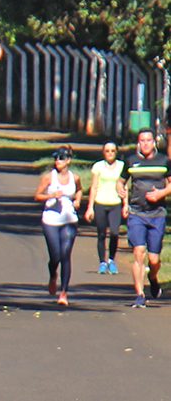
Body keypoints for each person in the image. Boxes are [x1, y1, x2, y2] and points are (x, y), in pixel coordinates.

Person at [117, 128, 171, 308]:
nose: (145, 143)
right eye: (142, 140)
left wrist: (161, 193)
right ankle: (139, 295)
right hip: (137, 213)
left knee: (154, 260)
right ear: (138, 143)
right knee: (138, 252)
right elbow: (121, 180)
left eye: (149, 140)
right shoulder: (131, 161)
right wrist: (120, 190)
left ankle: (153, 277)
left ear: (154, 142)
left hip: (157, 214)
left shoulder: (164, 161)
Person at [34, 146, 82, 306]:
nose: (57, 161)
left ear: (68, 160)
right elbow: (37, 195)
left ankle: (64, 293)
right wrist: (51, 195)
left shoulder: (74, 178)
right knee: (55, 256)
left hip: (69, 220)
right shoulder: (49, 177)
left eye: (61, 158)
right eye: (55, 158)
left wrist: (77, 200)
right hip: (51, 220)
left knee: (65, 254)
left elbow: (80, 190)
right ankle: (53, 273)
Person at [85, 142, 124, 274]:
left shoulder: (121, 166)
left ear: (116, 152)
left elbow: (125, 188)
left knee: (114, 233)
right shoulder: (98, 166)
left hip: (115, 203)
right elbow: (94, 187)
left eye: (113, 150)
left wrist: (126, 205)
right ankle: (102, 261)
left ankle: (111, 260)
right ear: (103, 152)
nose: (110, 153)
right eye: (107, 151)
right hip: (100, 202)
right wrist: (90, 207)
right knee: (101, 234)